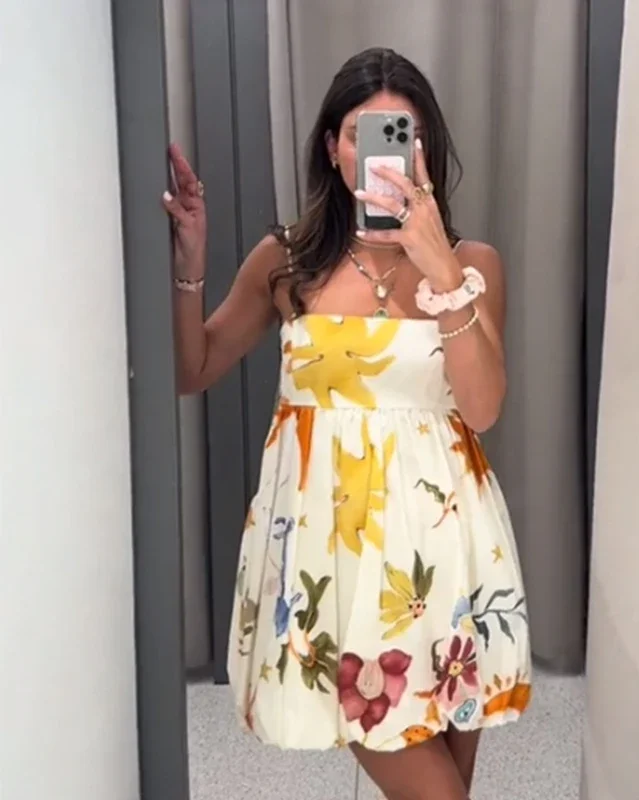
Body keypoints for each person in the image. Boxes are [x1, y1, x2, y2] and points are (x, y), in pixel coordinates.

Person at [165, 47, 531, 800]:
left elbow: (484, 408)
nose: (385, 155)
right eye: (364, 135)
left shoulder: (474, 264)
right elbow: (193, 367)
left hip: (446, 548)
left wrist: (441, 270)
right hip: (331, 550)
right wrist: (190, 263)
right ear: (333, 147)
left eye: (404, 135)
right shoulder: (287, 261)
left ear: (426, 150)